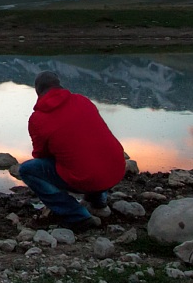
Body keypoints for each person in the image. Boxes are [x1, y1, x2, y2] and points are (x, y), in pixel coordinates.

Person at [16, 70, 127, 231]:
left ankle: (77, 216)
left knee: (28, 170)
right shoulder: (83, 101)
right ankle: (98, 200)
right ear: (59, 85)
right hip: (116, 169)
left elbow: (40, 154)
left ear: (37, 91)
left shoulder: (38, 119)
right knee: (88, 155)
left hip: (87, 177)